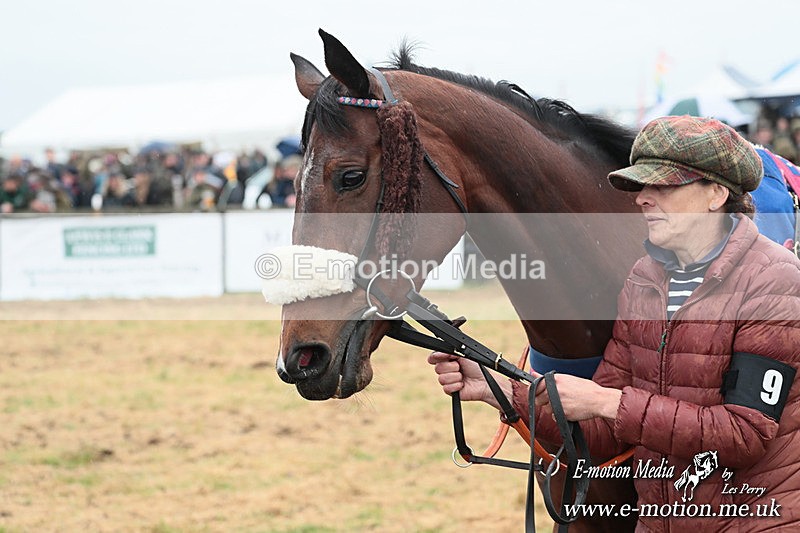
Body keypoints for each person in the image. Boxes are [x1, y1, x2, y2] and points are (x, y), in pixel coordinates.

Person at [429, 116, 800, 531]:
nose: (642, 199)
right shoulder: (645, 279)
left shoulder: (774, 282)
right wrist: (500, 391)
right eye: (640, 186)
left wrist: (606, 402)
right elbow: (604, 432)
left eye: (662, 186)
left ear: (716, 193)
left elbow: (743, 435)